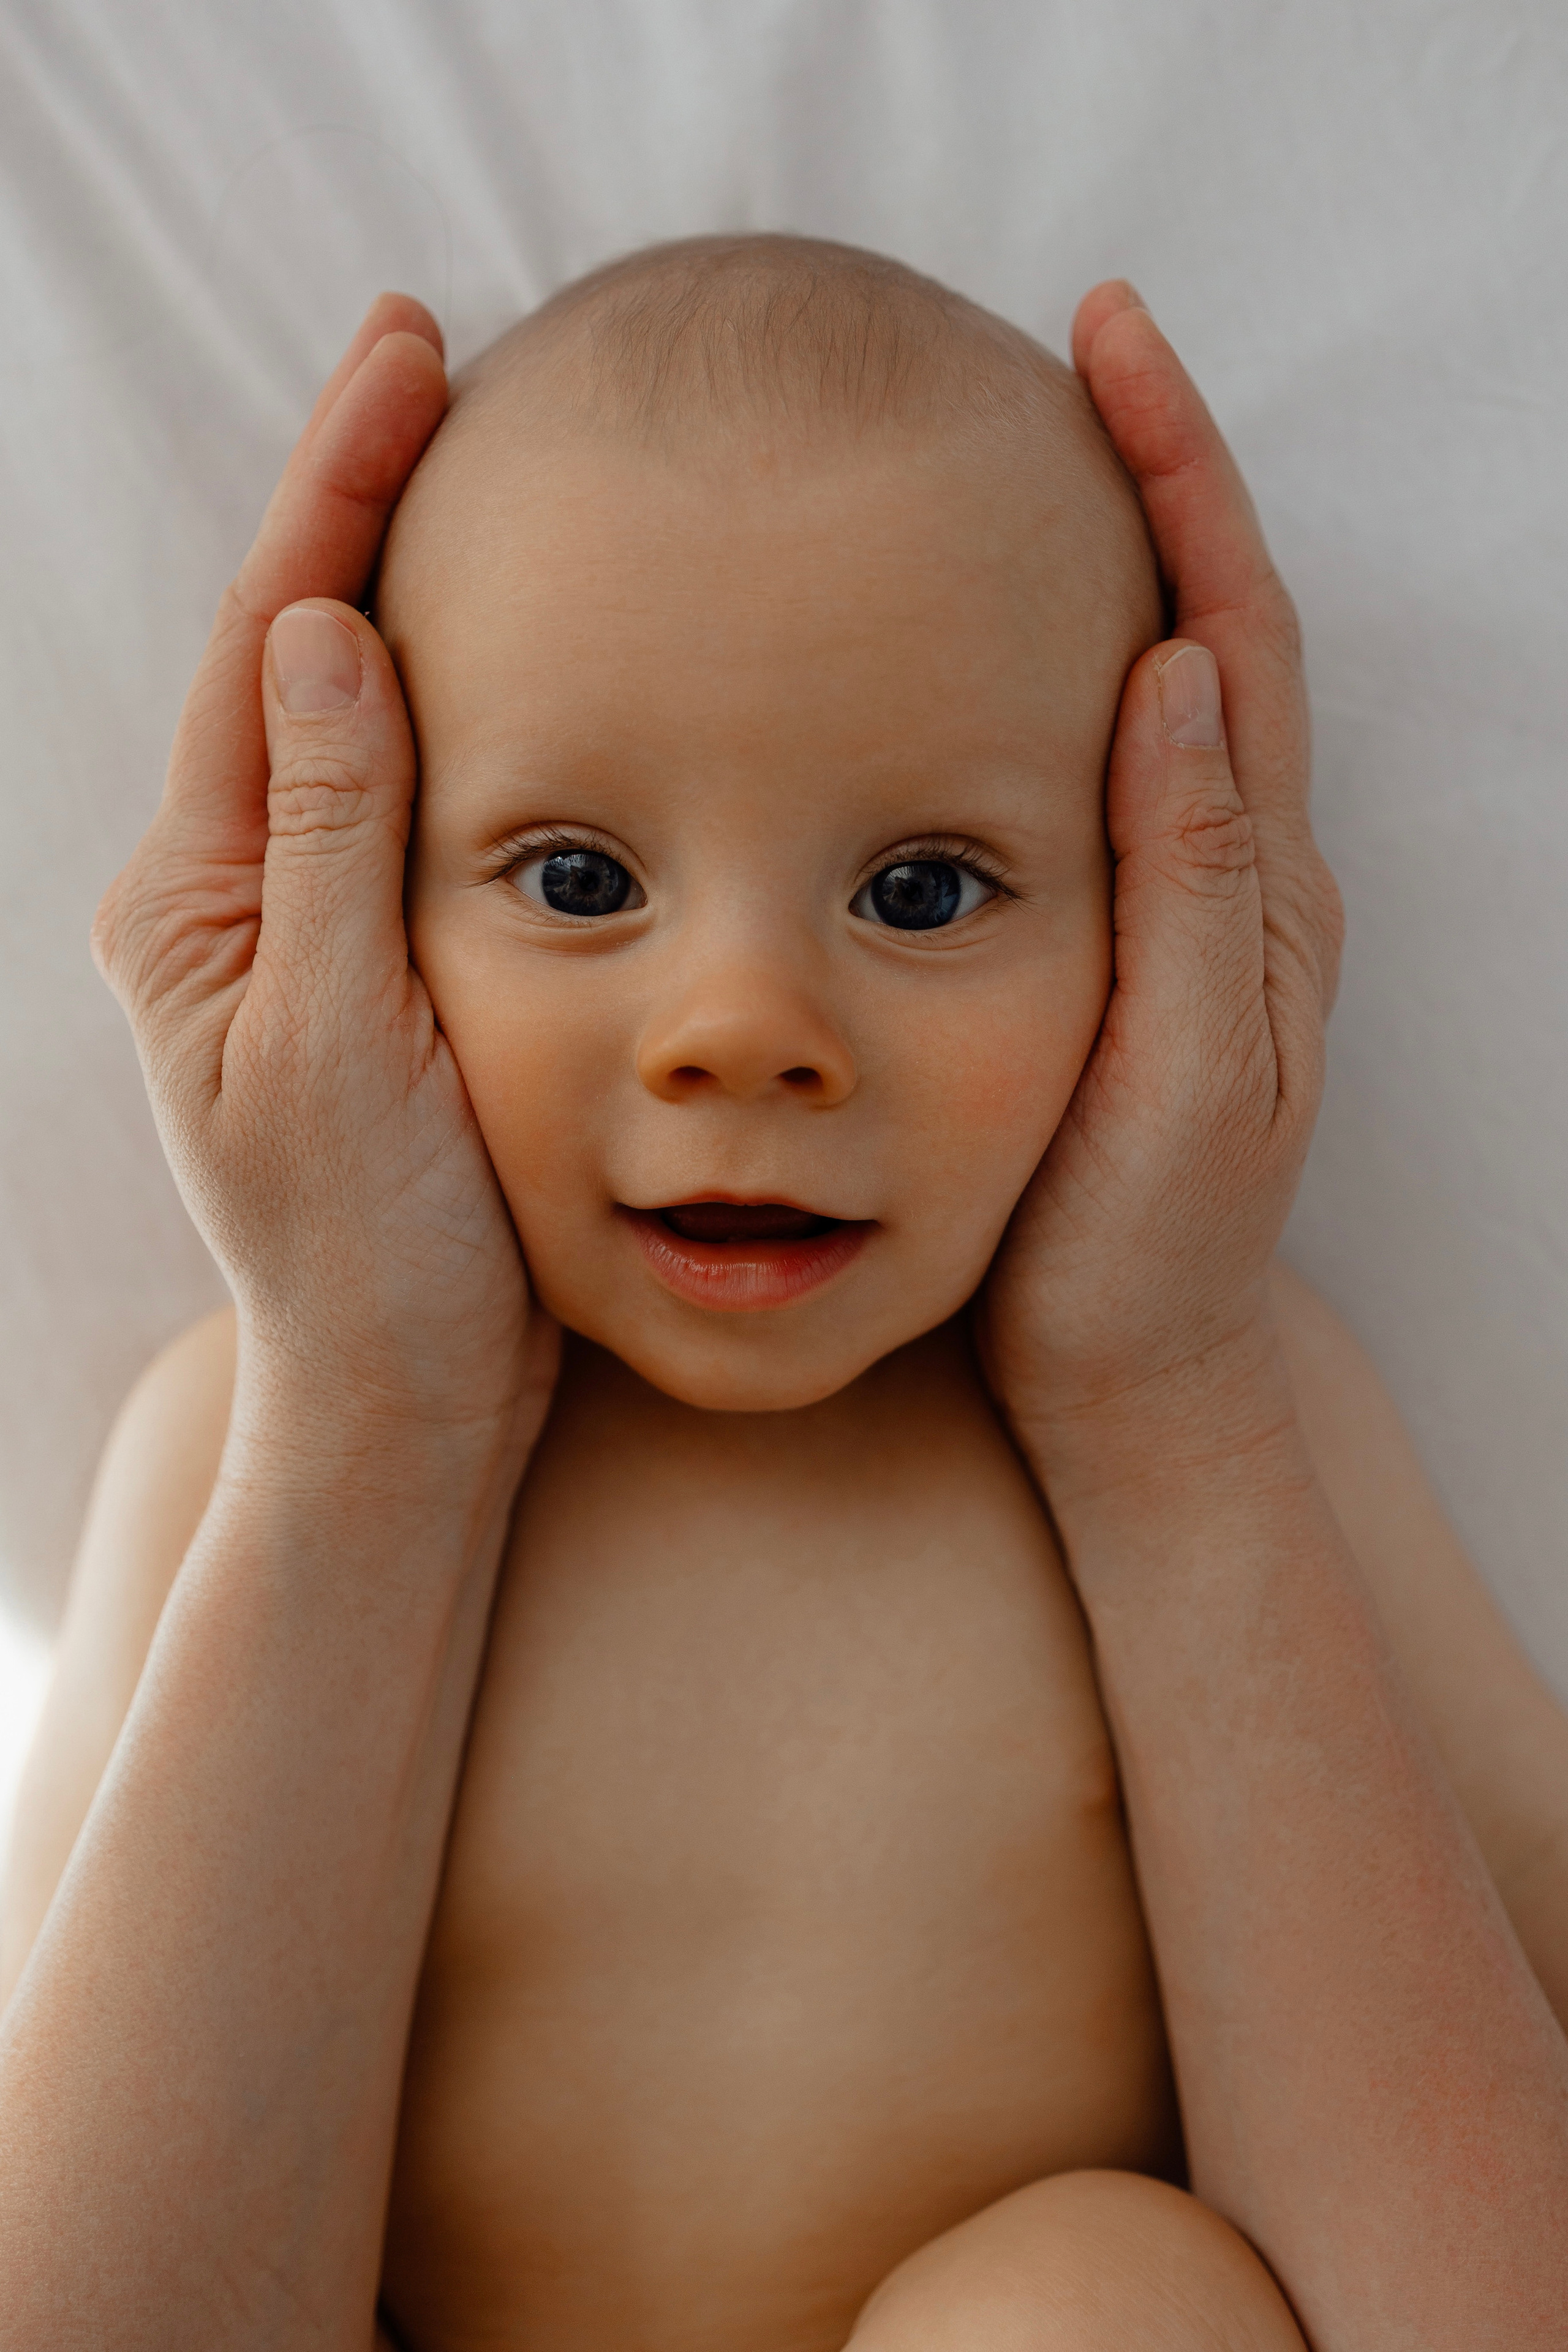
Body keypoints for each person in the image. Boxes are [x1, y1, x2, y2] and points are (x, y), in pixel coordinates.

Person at [2, 236, 1567, 2352]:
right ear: (343, 895)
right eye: (579, 880)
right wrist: (363, 1413)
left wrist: (1171, 1401)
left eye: (922, 891)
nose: (744, 1027)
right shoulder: (248, 1439)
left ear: (1156, 920)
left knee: (1100, 2308)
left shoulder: (1250, 1401)